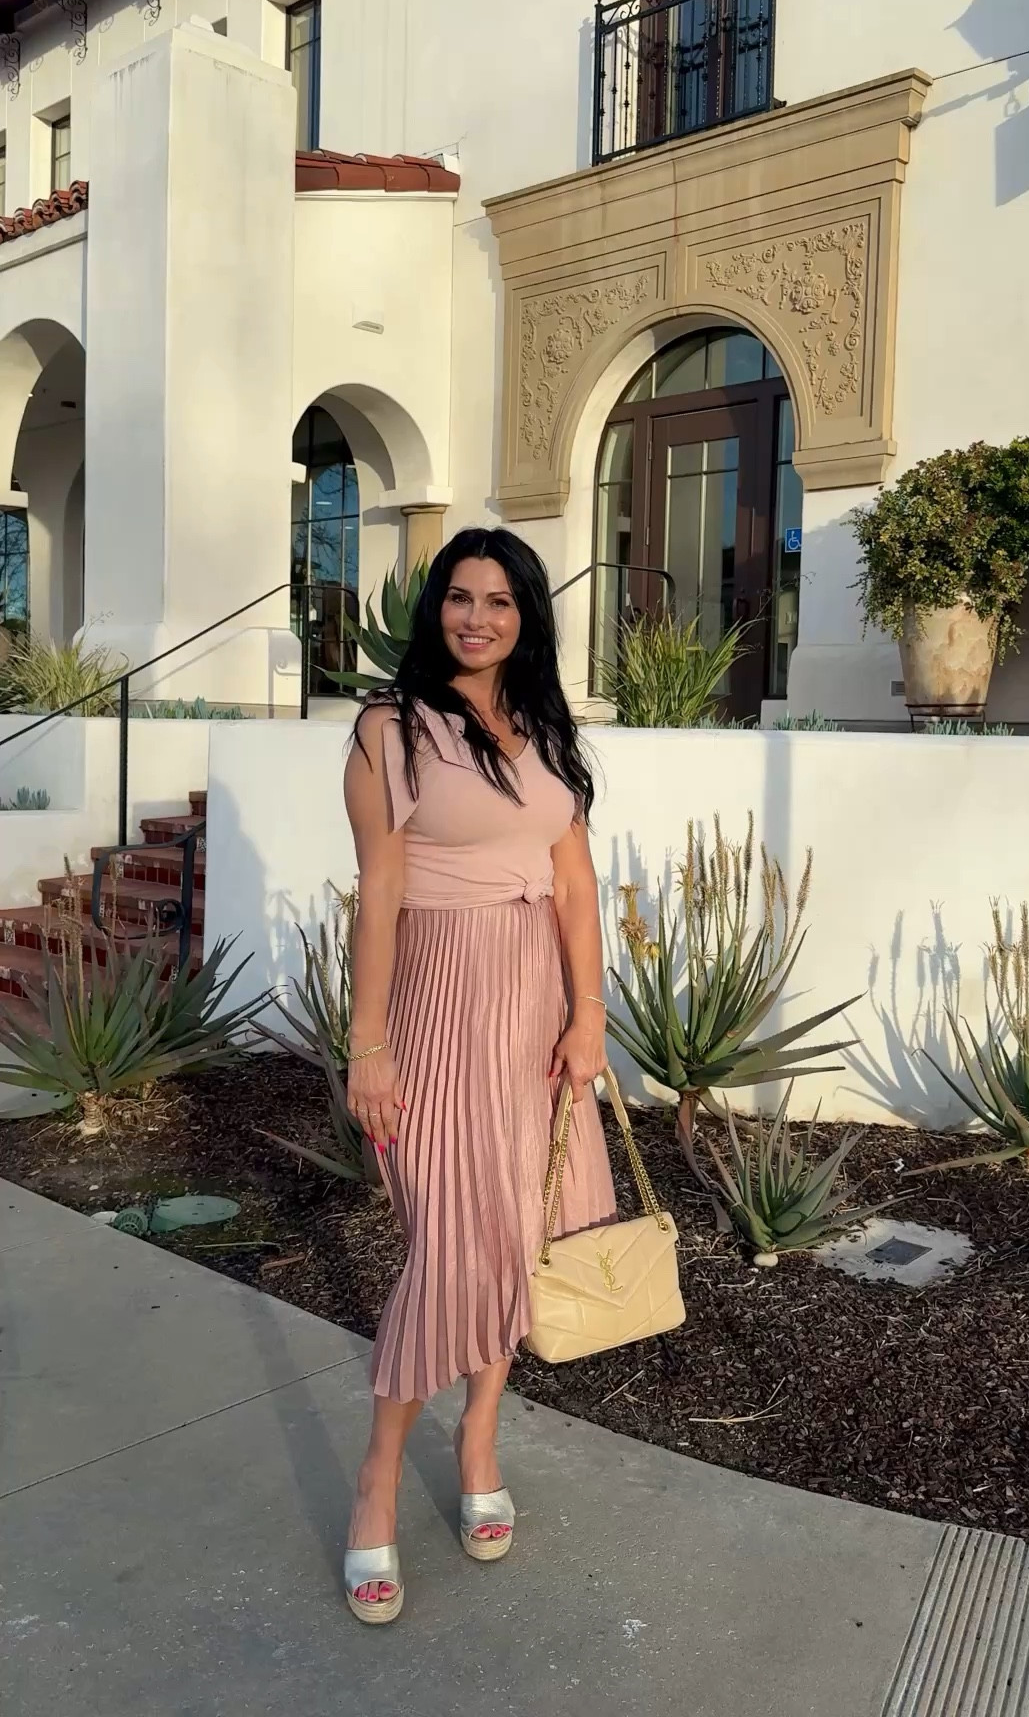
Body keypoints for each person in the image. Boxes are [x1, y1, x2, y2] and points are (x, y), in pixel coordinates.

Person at [341, 526, 616, 1625]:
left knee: (525, 1233)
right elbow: (380, 893)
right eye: (459, 598)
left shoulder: (546, 725)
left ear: (525, 615)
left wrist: (590, 1015)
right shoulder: (389, 729)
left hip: (537, 1016)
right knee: (451, 1247)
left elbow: (576, 883)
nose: (476, 617)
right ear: (433, 610)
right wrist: (369, 1045)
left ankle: (482, 1435)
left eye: (499, 601)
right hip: (439, 1006)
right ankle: (376, 1480)